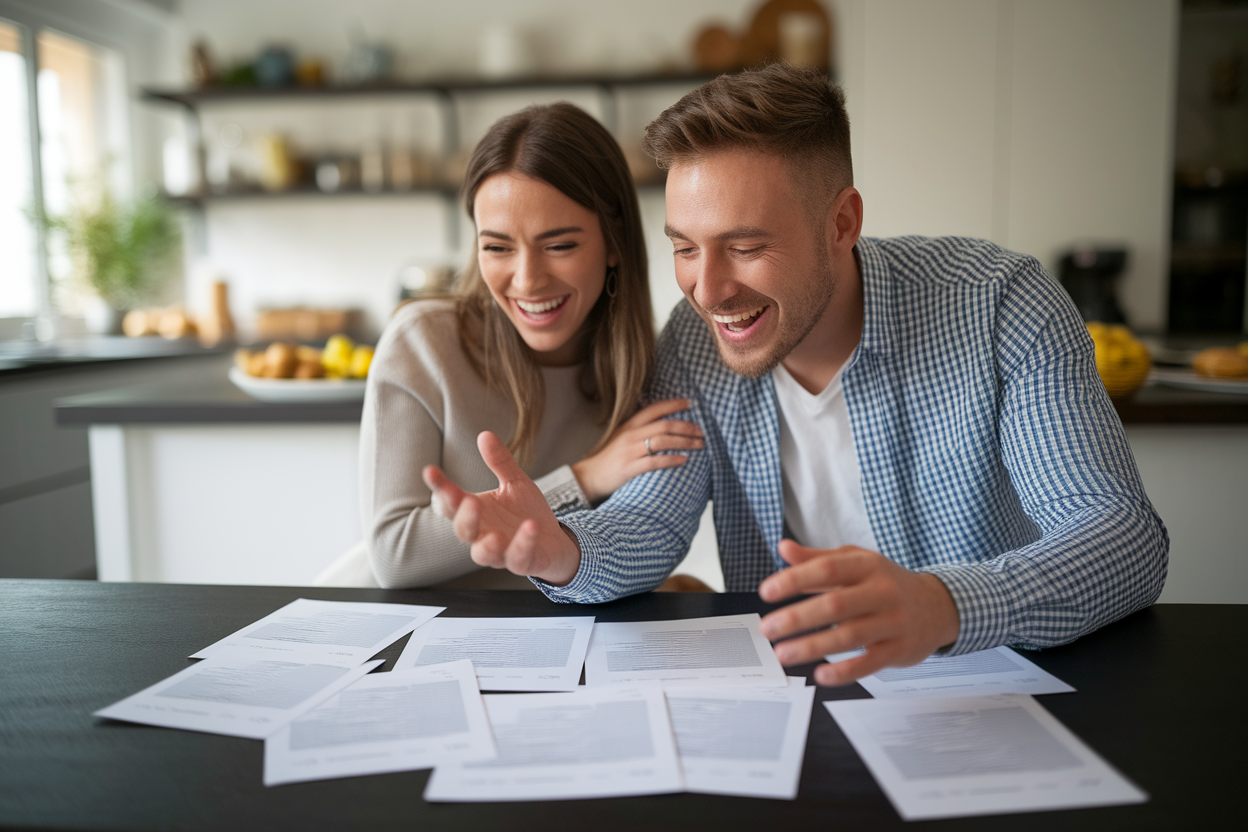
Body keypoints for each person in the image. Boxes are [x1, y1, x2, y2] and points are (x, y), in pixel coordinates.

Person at [423, 64, 1169, 683]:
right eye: (685, 246)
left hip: (990, 688)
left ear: (842, 224)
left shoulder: (999, 304)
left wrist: (944, 605)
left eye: (745, 246)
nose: (707, 290)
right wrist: (564, 551)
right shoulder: (693, 339)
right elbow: (651, 520)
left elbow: (1122, 539)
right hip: (794, 701)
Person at [352, 101, 703, 589]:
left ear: (615, 243)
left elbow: (634, 541)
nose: (527, 280)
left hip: (565, 646)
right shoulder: (423, 344)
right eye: (497, 247)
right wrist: (583, 478)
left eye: (559, 246)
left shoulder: (648, 369)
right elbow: (394, 555)